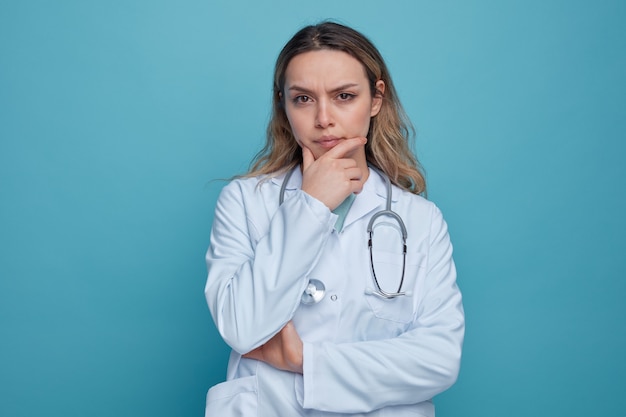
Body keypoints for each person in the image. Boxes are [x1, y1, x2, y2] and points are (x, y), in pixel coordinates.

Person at [204, 21, 464, 416]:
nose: (323, 118)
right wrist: (310, 204)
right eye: (303, 99)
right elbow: (241, 327)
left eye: (344, 96)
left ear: (376, 99)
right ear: (283, 105)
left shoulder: (422, 220)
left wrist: (306, 361)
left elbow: (438, 360)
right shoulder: (243, 202)